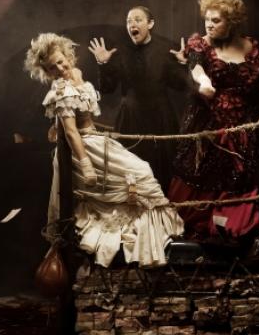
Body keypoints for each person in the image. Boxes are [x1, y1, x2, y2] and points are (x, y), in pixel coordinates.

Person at [24, 33, 183, 268]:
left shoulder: (77, 75)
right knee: (141, 173)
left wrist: (59, 127)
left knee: (143, 171)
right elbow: (72, 132)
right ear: (47, 72)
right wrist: (86, 164)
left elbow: (80, 118)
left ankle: (151, 244)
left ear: (67, 56)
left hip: (94, 140)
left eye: (60, 61)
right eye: (52, 68)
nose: (60, 68)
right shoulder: (62, 90)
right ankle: (133, 249)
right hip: (82, 149)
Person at [168, 0, 259, 241]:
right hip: (209, 120)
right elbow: (196, 66)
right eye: (207, 20)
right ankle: (200, 227)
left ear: (231, 22)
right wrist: (203, 82)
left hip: (242, 123)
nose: (209, 25)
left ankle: (233, 226)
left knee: (241, 175)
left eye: (216, 20)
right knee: (204, 174)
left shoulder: (250, 46)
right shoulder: (200, 43)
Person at [87, 6, 189, 189]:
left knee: (162, 172)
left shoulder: (165, 49)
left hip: (160, 119)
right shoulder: (120, 51)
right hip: (130, 119)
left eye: (138, 20)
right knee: (131, 170)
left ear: (150, 24)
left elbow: (179, 86)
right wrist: (103, 63)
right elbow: (107, 89)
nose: (132, 24)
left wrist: (182, 64)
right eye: (129, 21)